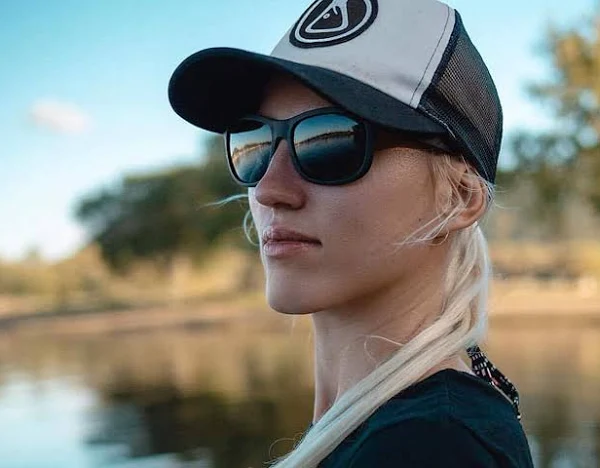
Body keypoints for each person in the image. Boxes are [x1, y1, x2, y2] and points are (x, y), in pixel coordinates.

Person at [168, 0, 535, 466]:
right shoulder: (412, 428)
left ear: (459, 198)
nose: (268, 190)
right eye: (255, 141)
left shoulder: (430, 447)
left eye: (332, 141)